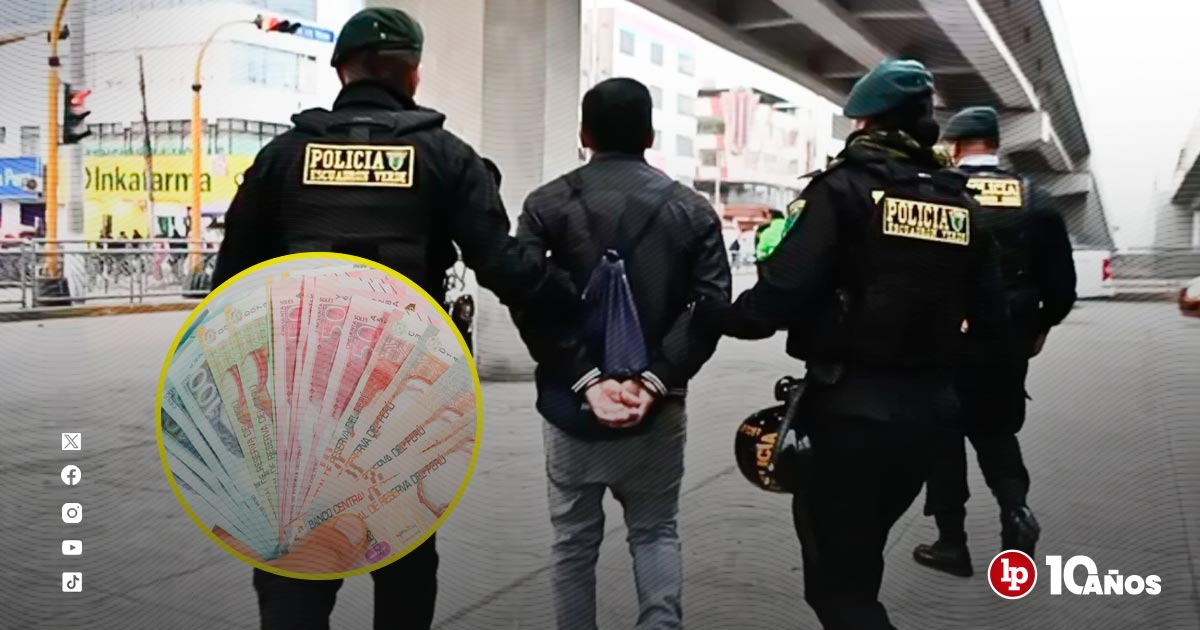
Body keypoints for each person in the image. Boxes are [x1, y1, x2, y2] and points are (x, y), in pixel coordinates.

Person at [211, 8, 577, 630]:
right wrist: (577, 300)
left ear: (340, 70)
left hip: (301, 398)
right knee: (403, 551)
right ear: (413, 74)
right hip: (402, 396)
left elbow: (231, 287)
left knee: (296, 559)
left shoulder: (281, 158)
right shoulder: (446, 157)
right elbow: (505, 268)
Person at [696, 59, 1005, 630]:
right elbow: (992, 321)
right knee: (863, 560)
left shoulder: (841, 190)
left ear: (866, 123)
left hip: (851, 415)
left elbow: (781, 293)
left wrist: (715, 315)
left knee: (838, 589)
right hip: (930, 417)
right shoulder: (961, 204)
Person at [513, 77, 731, 630]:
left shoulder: (545, 205)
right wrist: (654, 379)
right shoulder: (692, 210)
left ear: (584, 135)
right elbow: (711, 306)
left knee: (572, 543)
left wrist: (587, 379)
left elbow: (530, 301)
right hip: (656, 410)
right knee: (656, 531)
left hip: (570, 407)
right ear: (650, 135)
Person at [913, 106, 1077, 575]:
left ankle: (952, 544)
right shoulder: (1036, 198)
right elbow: (1062, 287)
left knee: (943, 439)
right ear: (996, 145)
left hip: (943, 341)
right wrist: (1039, 328)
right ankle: (1016, 512)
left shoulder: (935, 193)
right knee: (996, 432)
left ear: (955, 146)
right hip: (1006, 340)